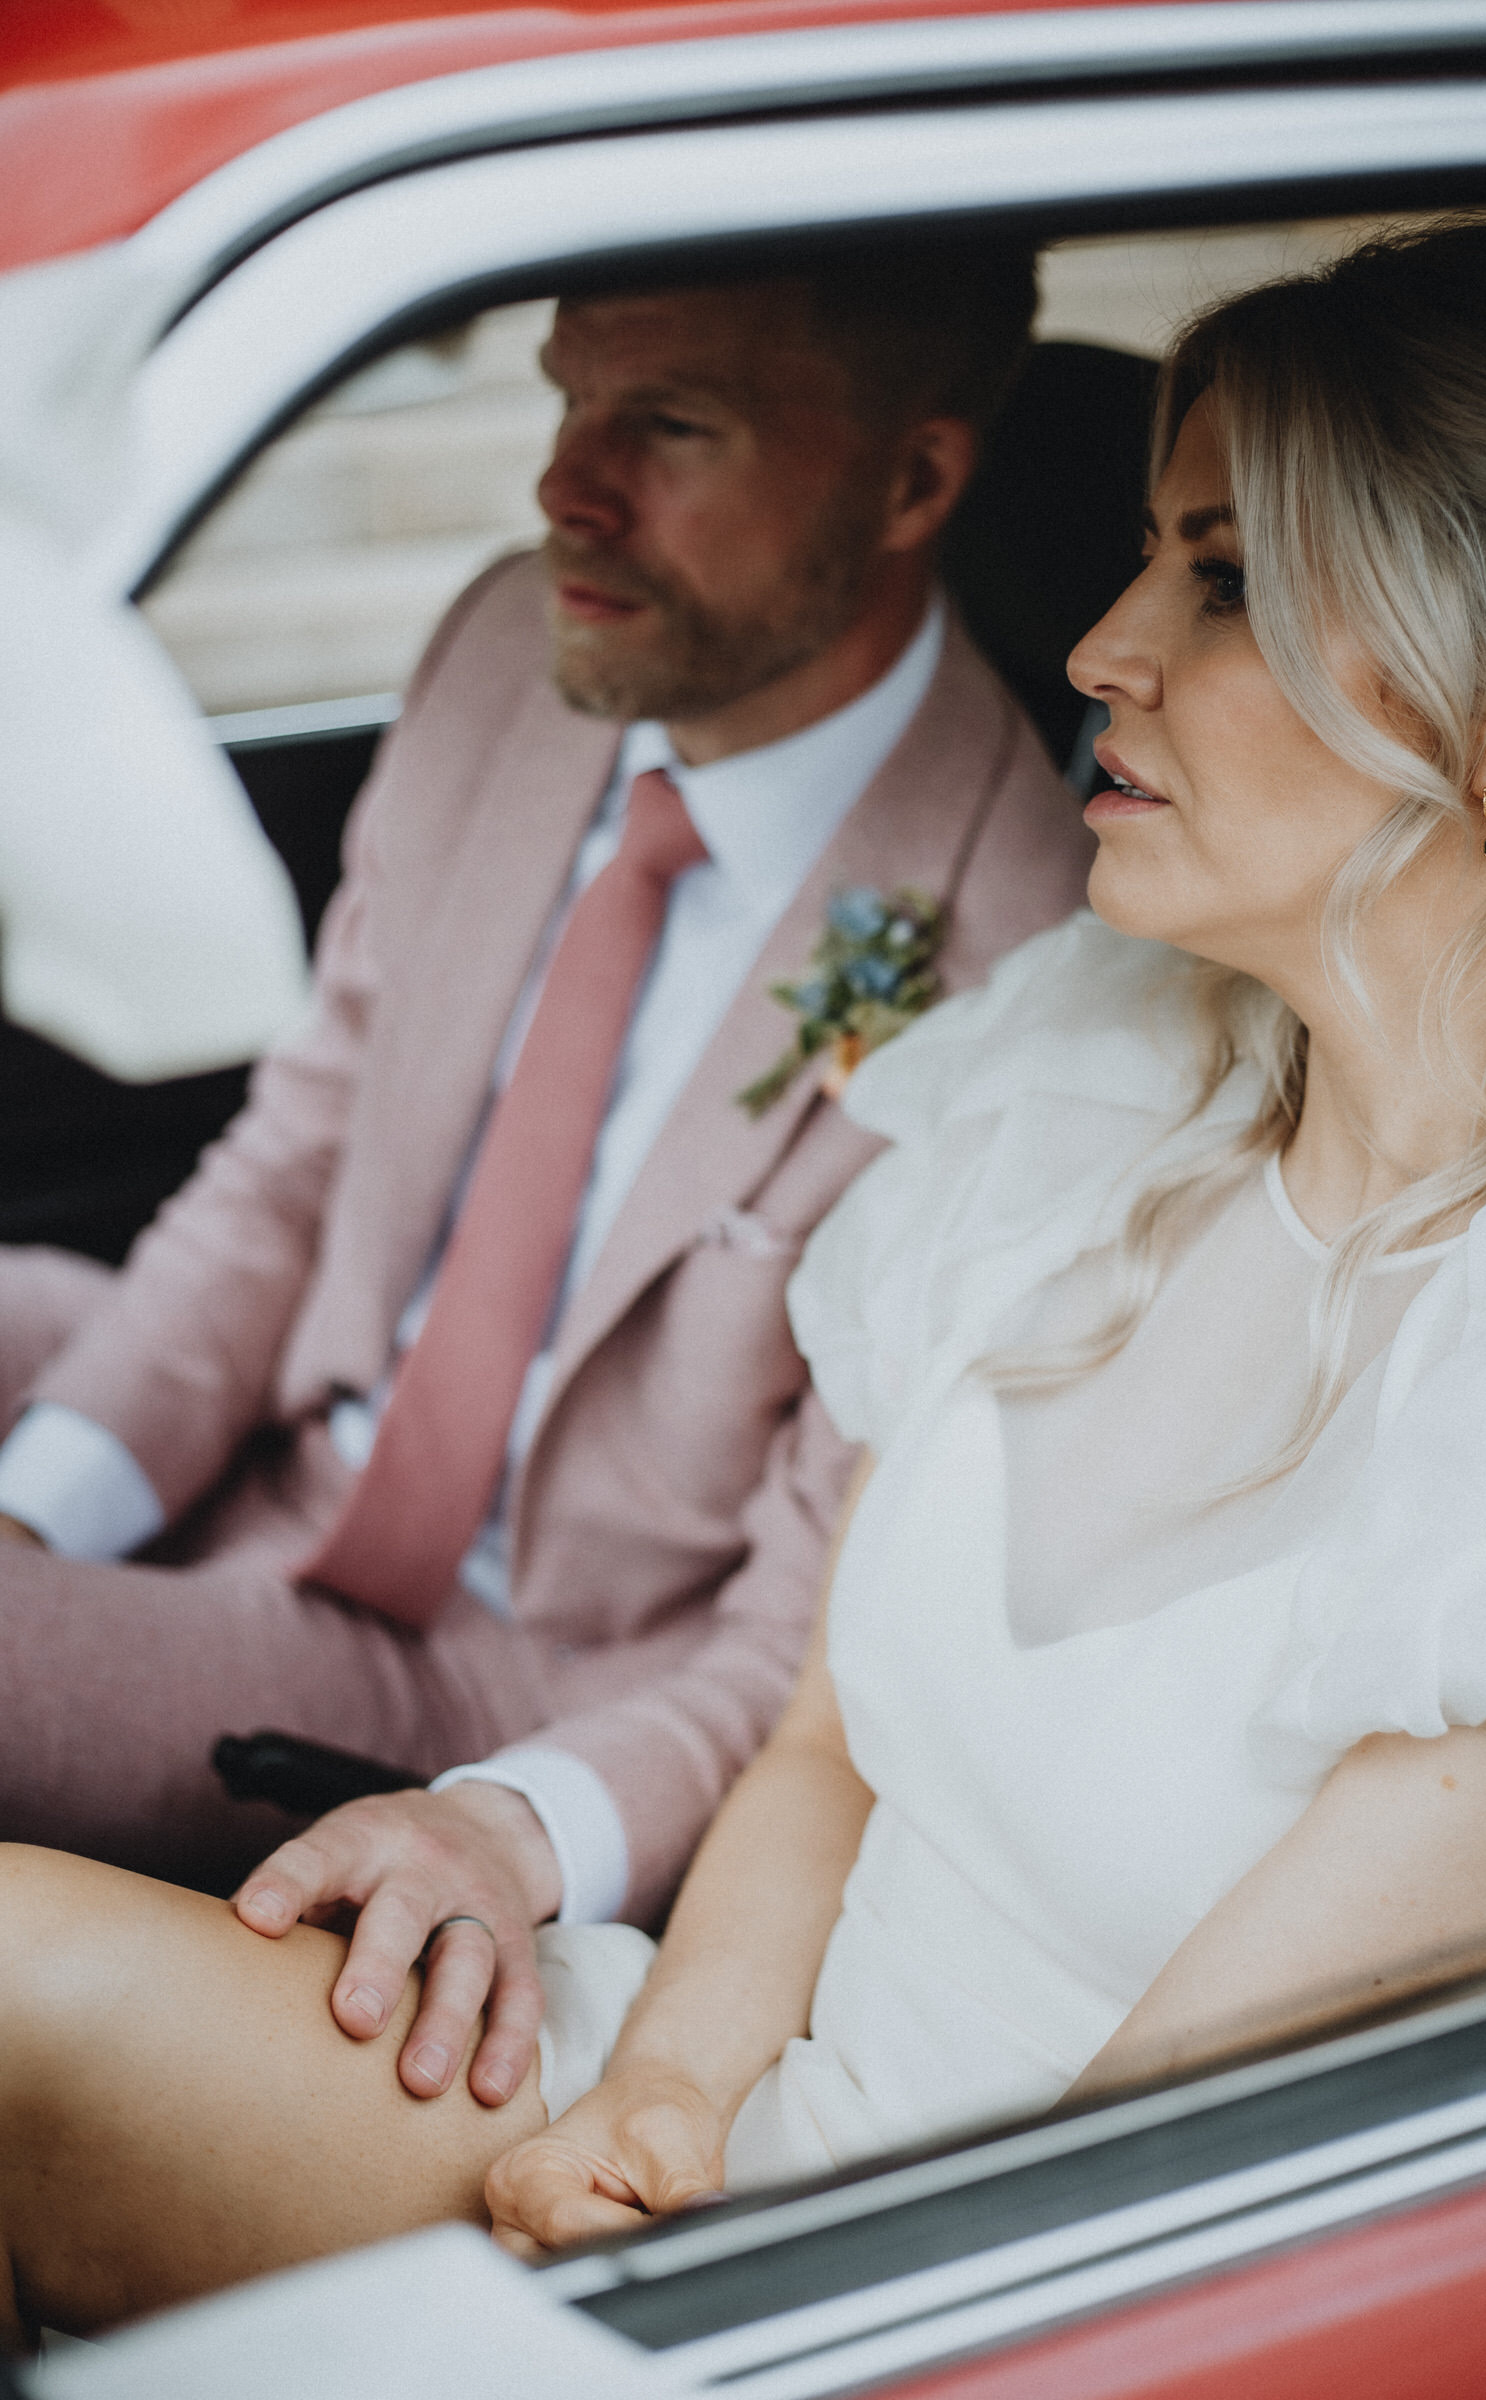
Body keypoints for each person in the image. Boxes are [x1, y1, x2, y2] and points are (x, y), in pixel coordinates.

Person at [5, 213, 1486, 2345]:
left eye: (1220, 580)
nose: (1100, 649)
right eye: (1144, 552)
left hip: (924, 2284)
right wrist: (661, 2096)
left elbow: (1118, 2240)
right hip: (692, 2058)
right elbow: (827, 1741)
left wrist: (697, 2246)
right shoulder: (1092, 1072)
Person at [0, 244, 1092, 2106]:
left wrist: (507, 1830)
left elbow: (808, 1649)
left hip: (494, 1665)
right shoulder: (515, 645)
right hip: (293, 1436)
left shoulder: (1025, 975)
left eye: (668, 425)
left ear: (912, 484)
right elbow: (294, 1163)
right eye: (568, 395)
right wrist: (47, 1515)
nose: (565, 484)